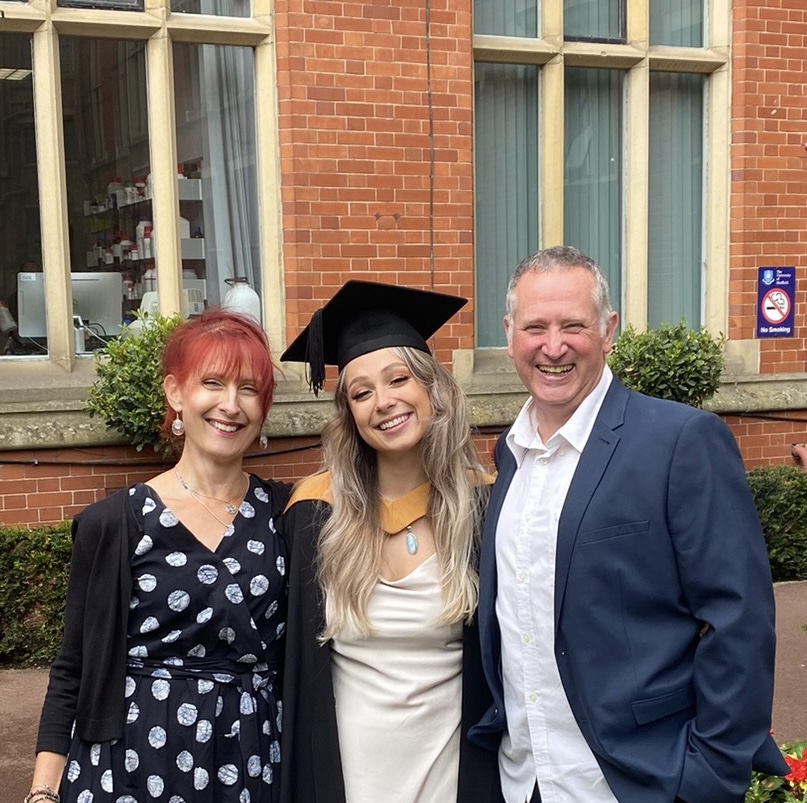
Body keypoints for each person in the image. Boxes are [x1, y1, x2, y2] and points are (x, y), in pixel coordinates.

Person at [470, 245, 788, 803]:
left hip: (635, 782)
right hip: (526, 779)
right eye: (534, 327)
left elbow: (739, 620)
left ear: (608, 329)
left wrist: (707, 780)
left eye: (573, 325)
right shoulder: (509, 456)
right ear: (509, 333)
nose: (553, 347)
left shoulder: (678, 441)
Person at [30, 308, 290, 803]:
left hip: (253, 759)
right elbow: (73, 667)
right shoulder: (116, 524)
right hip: (131, 763)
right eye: (211, 382)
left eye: (249, 388)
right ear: (176, 393)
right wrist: (43, 791)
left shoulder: (287, 515)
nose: (230, 405)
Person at [278, 280, 503, 803]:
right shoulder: (314, 517)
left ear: (432, 389)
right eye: (361, 392)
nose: (384, 402)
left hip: (453, 780)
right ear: (350, 415)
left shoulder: (484, 511)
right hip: (346, 781)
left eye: (398, 379)